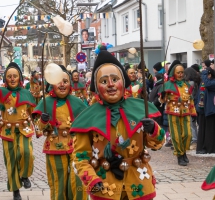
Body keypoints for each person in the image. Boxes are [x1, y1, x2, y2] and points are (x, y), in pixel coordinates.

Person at [70, 51, 165, 200]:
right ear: (96, 86)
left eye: (115, 79)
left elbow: (157, 144)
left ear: (123, 82)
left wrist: (153, 130)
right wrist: (92, 181)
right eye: (104, 81)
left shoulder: (140, 109)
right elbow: (80, 157)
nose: (111, 85)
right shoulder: (87, 118)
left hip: (138, 182)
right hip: (104, 185)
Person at [32, 65, 87, 200]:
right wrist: (44, 121)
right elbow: (39, 128)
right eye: (58, 81)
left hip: (76, 146)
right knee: (59, 182)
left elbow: (87, 123)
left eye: (65, 81)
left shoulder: (78, 102)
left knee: (78, 179)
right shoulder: (46, 102)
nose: (62, 85)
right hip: (54, 146)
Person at [0, 62, 36, 200]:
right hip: (7, 131)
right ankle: (15, 190)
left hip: (24, 129)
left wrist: (42, 124)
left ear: (20, 78)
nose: (13, 78)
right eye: (9, 76)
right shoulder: (1, 93)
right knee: (11, 161)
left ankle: (25, 175)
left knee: (27, 152)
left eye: (15, 76)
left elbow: (34, 113)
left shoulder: (26, 93)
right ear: (5, 79)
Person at [159, 62, 197, 166]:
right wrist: (163, 95)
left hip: (185, 112)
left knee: (187, 134)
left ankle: (183, 151)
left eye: (182, 72)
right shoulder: (167, 85)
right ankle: (180, 155)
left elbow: (191, 99)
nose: (180, 74)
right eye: (178, 72)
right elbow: (162, 101)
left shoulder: (186, 85)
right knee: (176, 135)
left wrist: (193, 112)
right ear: (173, 73)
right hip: (173, 112)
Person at [200, 67, 215, 153]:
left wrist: (204, 73)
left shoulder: (212, 82)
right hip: (209, 109)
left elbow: (207, 84)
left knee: (210, 130)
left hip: (212, 110)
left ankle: (210, 148)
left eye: (208, 75)